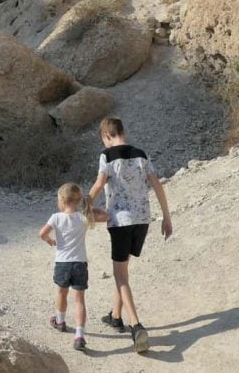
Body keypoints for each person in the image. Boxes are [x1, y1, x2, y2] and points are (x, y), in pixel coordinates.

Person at [88, 117, 172, 354]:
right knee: (123, 268)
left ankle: (136, 326)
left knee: (120, 276)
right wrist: (167, 217)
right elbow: (157, 185)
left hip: (120, 221)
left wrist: (82, 206)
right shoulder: (141, 154)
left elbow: (98, 184)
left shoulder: (107, 156)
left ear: (106, 136)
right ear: (122, 131)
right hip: (142, 219)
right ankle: (116, 316)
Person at [39, 182, 108, 351]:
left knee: (61, 293)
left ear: (62, 200)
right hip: (79, 263)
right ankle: (79, 335)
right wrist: (88, 206)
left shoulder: (56, 217)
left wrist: (50, 241)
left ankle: (60, 321)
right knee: (79, 300)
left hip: (62, 263)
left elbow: (42, 233)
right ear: (77, 200)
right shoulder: (84, 217)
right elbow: (106, 216)